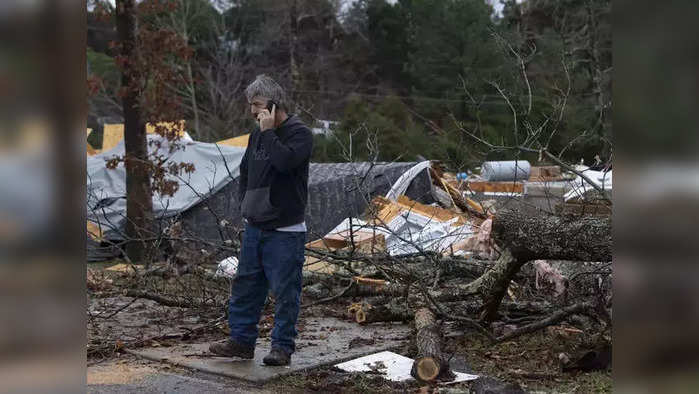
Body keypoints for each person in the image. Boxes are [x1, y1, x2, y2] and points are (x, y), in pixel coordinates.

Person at [209, 75, 313, 366]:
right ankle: (241, 341)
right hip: (255, 225)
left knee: (285, 291)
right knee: (246, 286)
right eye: (251, 105)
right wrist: (245, 202)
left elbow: (284, 163)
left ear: (274, 104)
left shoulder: (299, 133)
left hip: (285, 230)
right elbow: (246, 170)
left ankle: (282, 347)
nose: (253, 111)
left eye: (257, 105)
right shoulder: (256, 134)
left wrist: (268, 133)